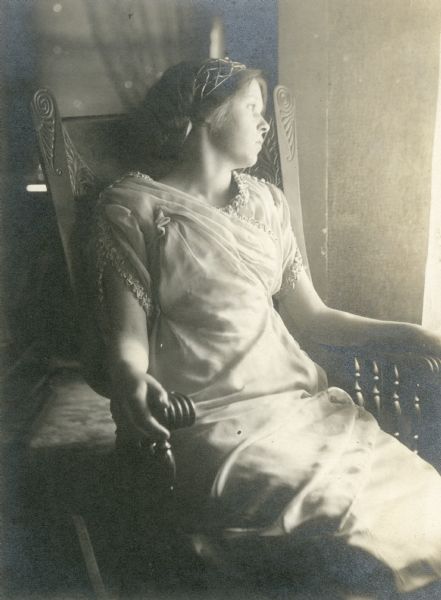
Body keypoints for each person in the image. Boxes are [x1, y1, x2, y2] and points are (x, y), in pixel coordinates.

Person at [92, 58, 441, 598]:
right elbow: (127, 336)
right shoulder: (133, 207)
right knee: (339, 527)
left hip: (298, 407)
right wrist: (129, 377)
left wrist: (416, 335)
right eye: (252, 109)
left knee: (425, 497)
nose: (264, 124)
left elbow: (313, 316)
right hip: (214, 420)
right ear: (207, 114)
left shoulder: (268, 204)